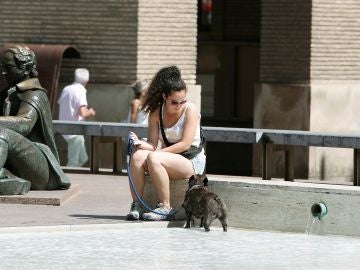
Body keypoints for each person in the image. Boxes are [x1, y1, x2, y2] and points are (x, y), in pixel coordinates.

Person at [127, 66, 206, 221]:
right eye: (174, 102)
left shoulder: (190, 110)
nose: (179, 106)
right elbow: (152, 143)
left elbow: (184, 144)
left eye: (182, 101)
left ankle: (165, 207)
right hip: (168, 158)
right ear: (164, 96)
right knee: (137, 156)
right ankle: (137, 204)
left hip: (191, 160)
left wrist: (156, 153)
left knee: (154, 158)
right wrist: (139, 143)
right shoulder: (156, 112)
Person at [0, 45, 71, 194]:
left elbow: (25, 123)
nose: (4, 72)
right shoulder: (7, 93)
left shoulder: (35, 94)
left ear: (25, 69)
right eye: (3, 67)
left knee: (2, 134)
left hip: (41, 169)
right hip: (17, 163)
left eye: (9, 67)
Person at [57, 68, 96, 167]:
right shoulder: (81, 90)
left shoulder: (66, 89)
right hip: (75, 130)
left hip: (64, 128)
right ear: (86, 81)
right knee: (73, 161)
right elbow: (82, 112)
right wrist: (90, 112)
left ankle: (73, 177)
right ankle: (69, 180)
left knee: (83, 158)